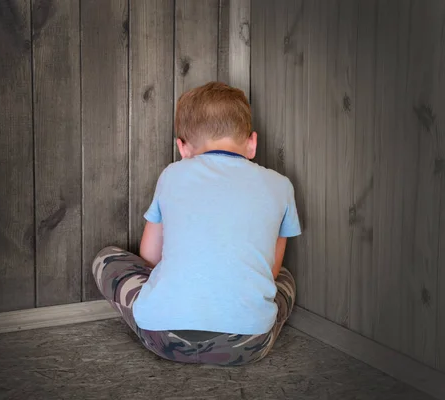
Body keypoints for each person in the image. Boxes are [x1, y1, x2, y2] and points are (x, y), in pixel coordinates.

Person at [92, 81, 301, 366]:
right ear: (252, 143)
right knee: (286, 277)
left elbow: (150, 257)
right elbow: (272, 270)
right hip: (249, 345)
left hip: (165, 337)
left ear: (183, 147)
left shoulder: (172, 175)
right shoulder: (281, 185)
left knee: (106, 258)